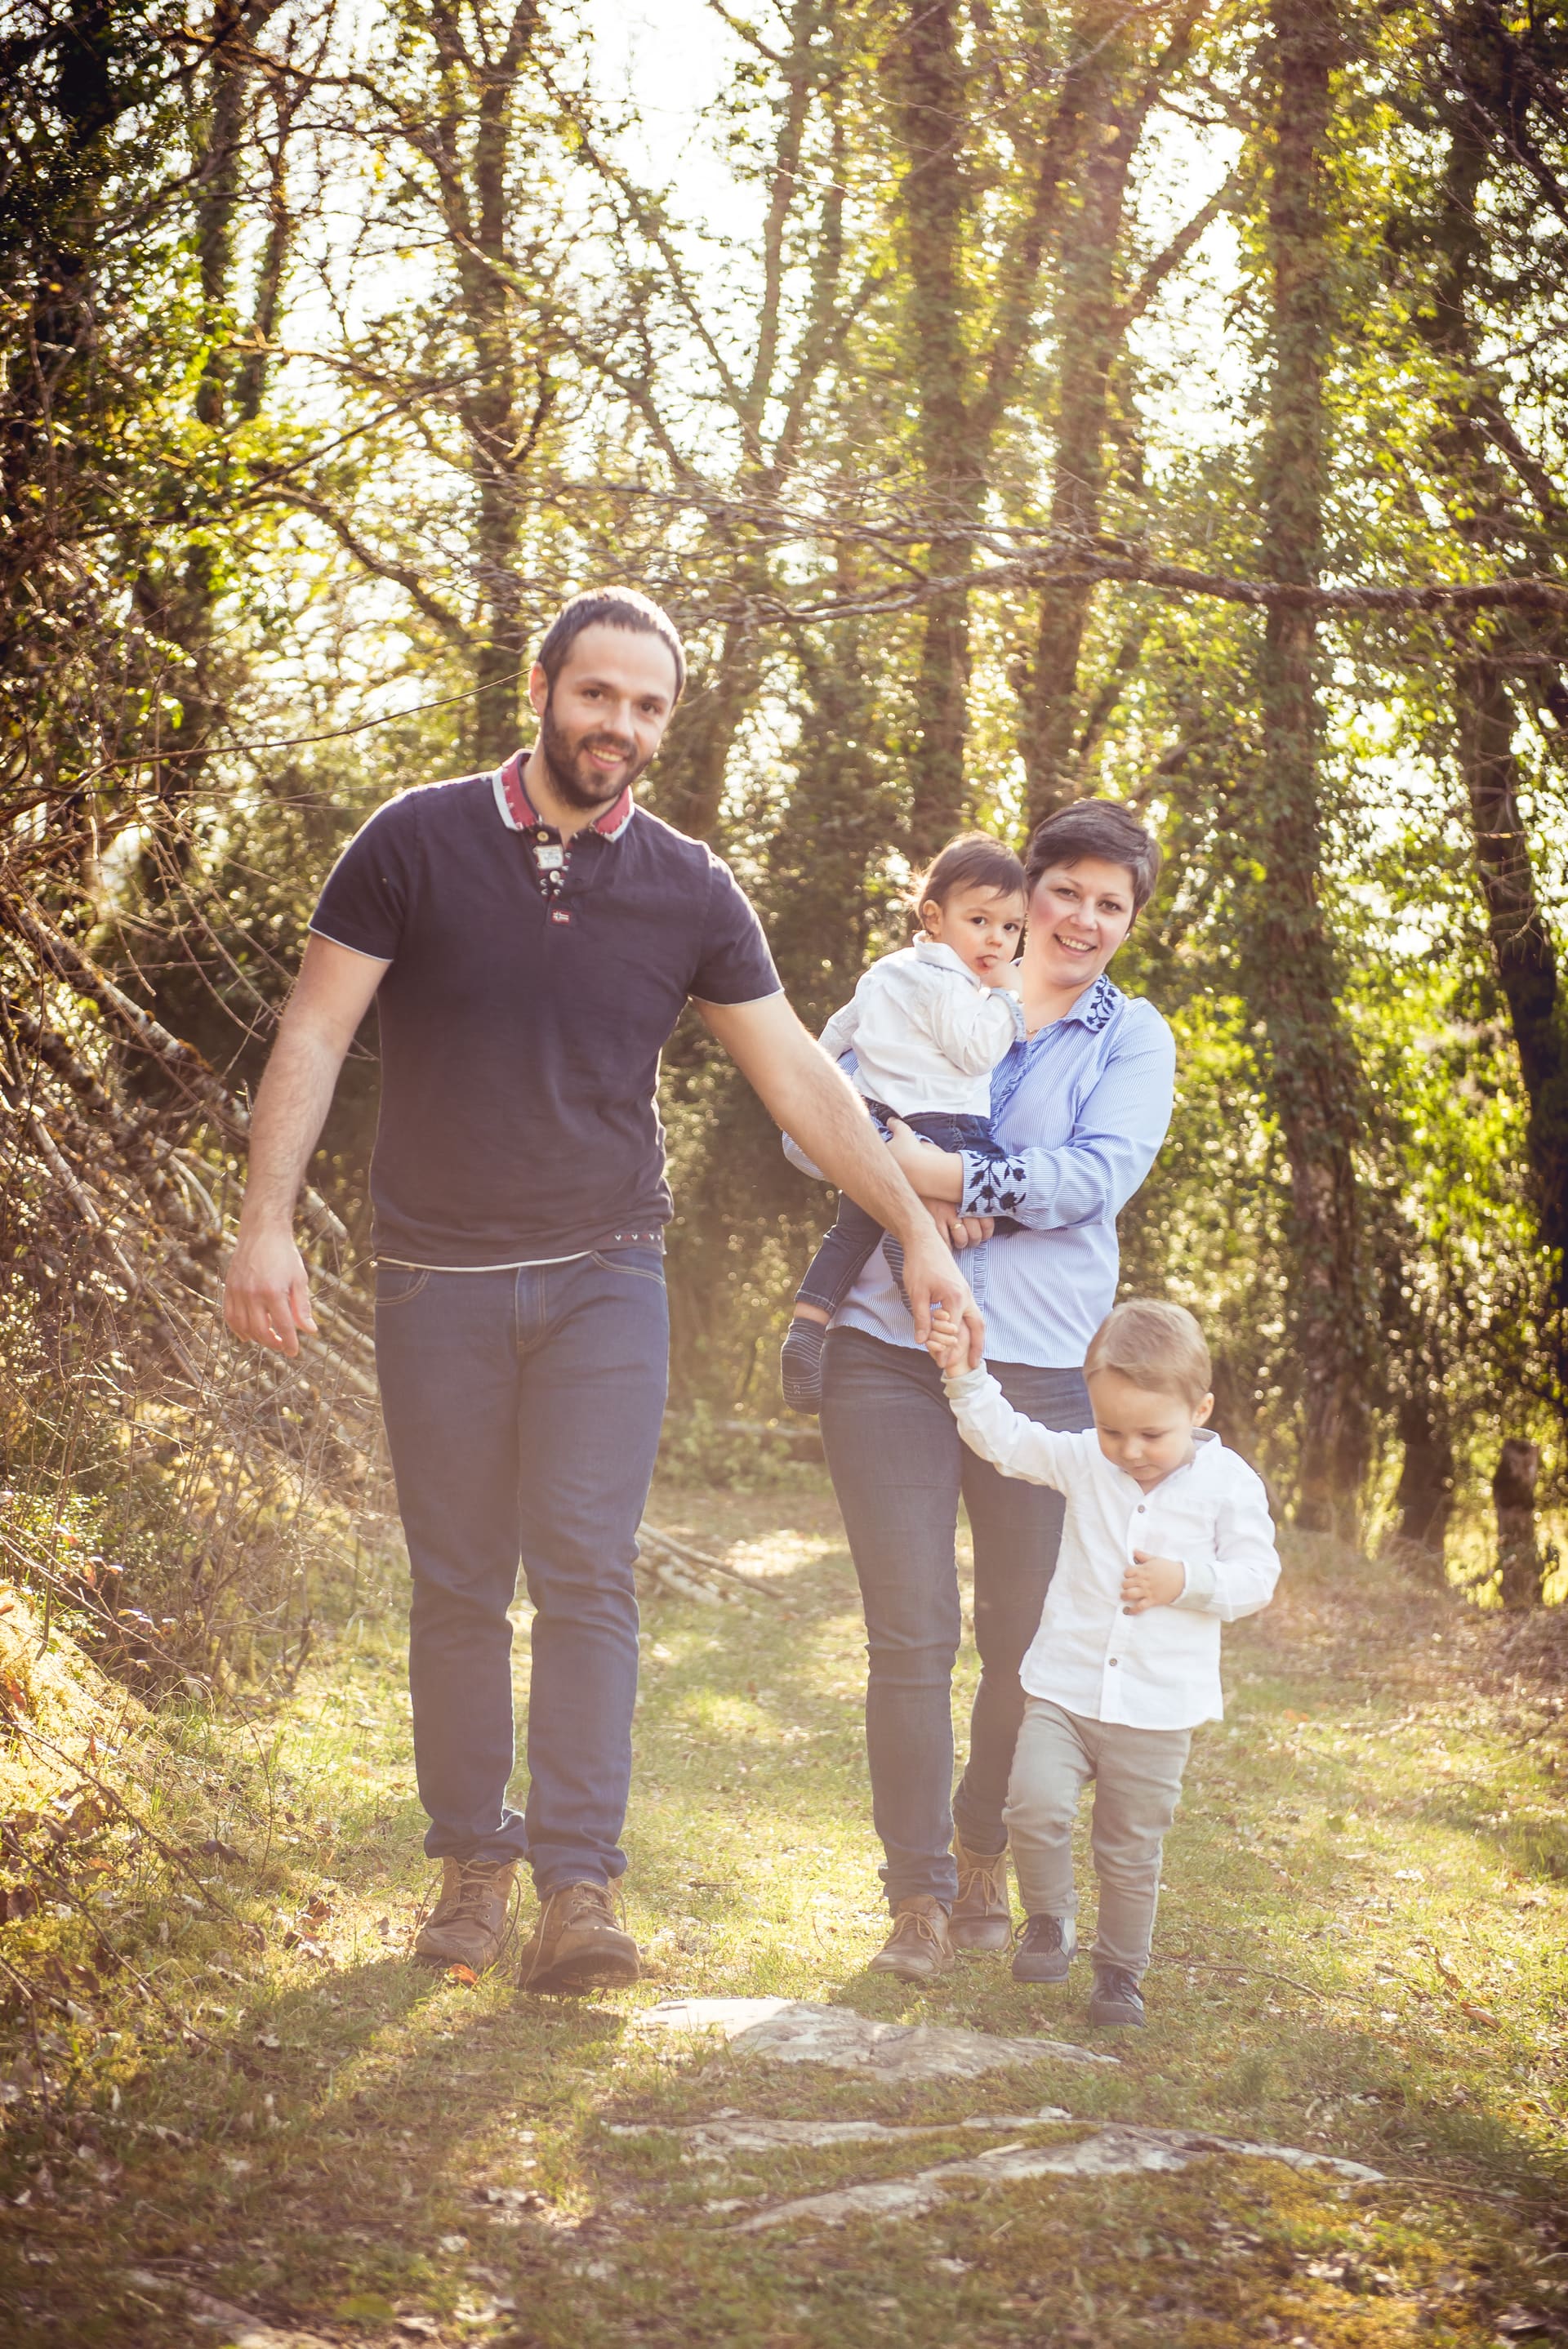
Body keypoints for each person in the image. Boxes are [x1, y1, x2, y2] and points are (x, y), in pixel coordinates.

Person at [223, 586, 982, 1994]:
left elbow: (807, 1084)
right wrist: (265, 1219)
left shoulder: (690, 886)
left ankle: (579, 1888)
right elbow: (316, 1032)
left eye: (646, 708)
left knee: (585, 1575)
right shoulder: (414, 839)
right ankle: (468, 1873)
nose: (618, 727)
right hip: (431, 1276)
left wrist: (917, 1233)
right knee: (458, 1583)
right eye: (598, 696)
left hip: (604, 1278)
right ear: (543, 686)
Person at [792, 797, 1177, 1981]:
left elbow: (1095, 1174)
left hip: (1045, 1366)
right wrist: (879, 1159)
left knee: (1023, 1638)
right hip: (890, 1350)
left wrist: (938, 1170)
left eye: (1112, 906)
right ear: (1026, 888)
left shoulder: (1130, 1037)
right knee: (909, 1634)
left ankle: (975, 1849)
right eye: (1067, 891)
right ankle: (912, 1896)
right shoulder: (923, 980)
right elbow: (811, 1117)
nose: (1083, 919)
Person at [925, 1298, 1280, 2026]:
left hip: (1158, 1709)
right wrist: (965, 1374)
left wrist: (1188, 1581)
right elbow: (1009, 1442)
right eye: (1111, 1428)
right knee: (1032, 1804)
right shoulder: (1088, 1461)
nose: (1130, 1448)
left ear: (1200, 1408)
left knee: (1128, 1850)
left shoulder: (1229, 1484)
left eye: (1152, 1432)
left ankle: (1120, 1973)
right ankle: (1049, 1921)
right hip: (1065, 1685)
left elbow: (1257, 1579)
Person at [780, 834, 1027, 1415]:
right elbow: (974, 1054)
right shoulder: (954, 984)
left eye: (1011, 928)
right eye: (980, 920)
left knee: (851, 1231)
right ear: (934, 918)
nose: (996, 939)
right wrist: (1009, 1001)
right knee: (1012, 1210)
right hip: (948, 1129)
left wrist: (846, 1101)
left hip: (881, 1128)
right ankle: (931, 1314)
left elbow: (831, 1041)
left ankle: (807, 1327)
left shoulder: (884, 973)